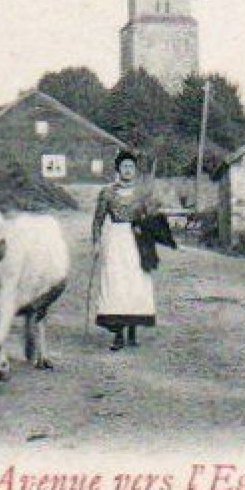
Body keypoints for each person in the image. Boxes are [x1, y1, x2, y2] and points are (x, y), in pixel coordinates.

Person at [91, 150, 158, 351]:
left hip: (137, 241)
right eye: (124, 167)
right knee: (116, 284)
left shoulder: (143, 193)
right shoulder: (107, 193)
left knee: (136, 284)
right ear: (118, 170)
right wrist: (96, 243)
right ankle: (118, 335)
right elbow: (98, 220)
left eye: (131, 167)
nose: (127, 170)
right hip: (116, 242)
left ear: (135, 170)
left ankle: (132, 333)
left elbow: (152, 217)